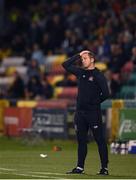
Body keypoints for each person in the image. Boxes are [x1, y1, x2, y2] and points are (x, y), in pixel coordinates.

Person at [62, 50, 110, 175]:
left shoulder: (98, 75)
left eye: (85, 58)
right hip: (80, 114)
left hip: (93, 113)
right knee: (81, 141)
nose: (83, 60)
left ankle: (104, 168)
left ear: (92, 59)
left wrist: (94, 103)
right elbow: (65, 65)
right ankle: (79, 167)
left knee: (100, 140)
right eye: (82, 59)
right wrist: (78, 55)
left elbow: (106, 93)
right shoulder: (81, 72)